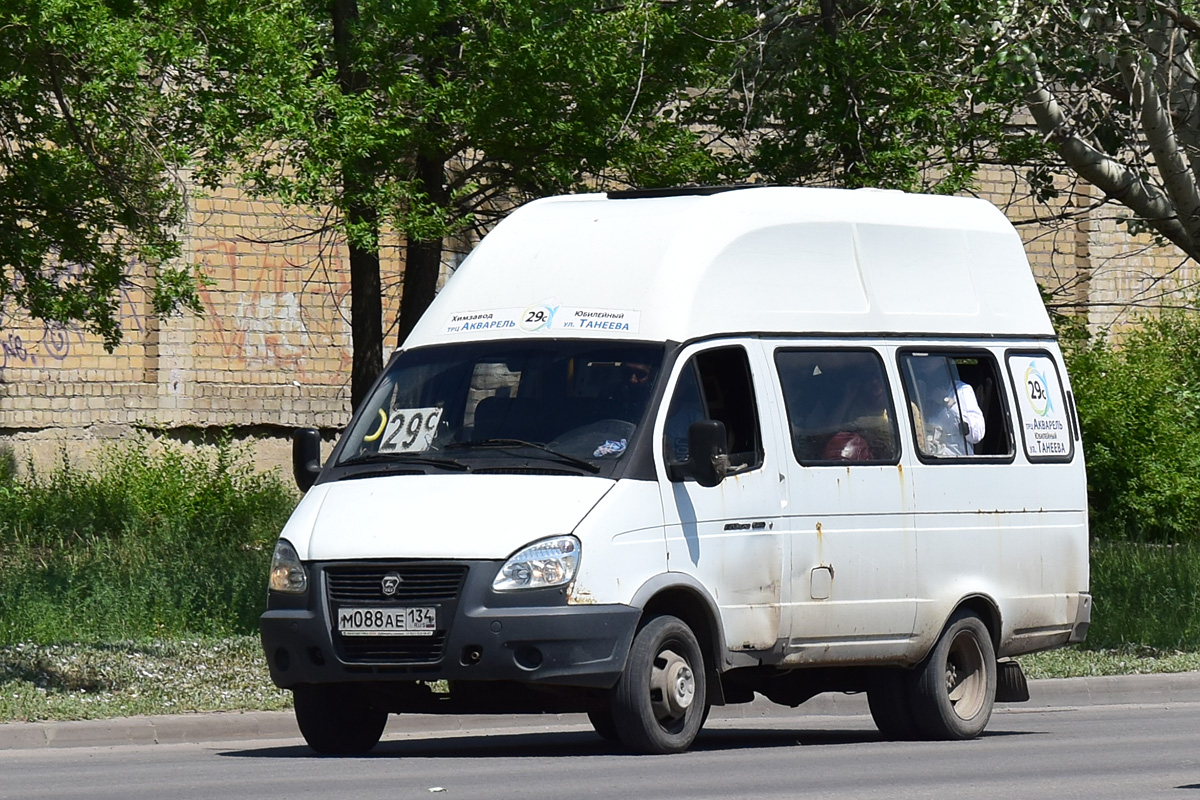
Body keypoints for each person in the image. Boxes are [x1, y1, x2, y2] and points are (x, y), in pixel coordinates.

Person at [908, 357, 985, 455]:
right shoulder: (917, 389)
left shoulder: (961, 390)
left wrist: (948, 403)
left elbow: (976, 434)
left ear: (942, 360)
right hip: (926, 459)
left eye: (930, 356)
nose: (923, 360)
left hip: (956, 462)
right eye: (921, 357)